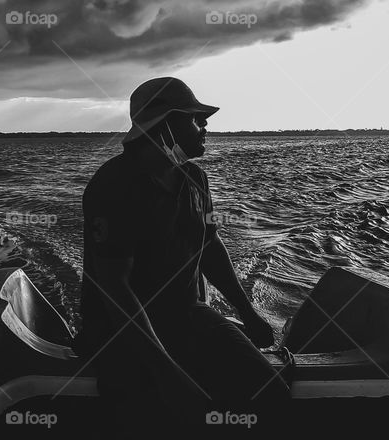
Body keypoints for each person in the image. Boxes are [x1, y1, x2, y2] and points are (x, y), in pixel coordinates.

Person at [73, 77, 289, 435]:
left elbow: (209, 247)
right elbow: (115, 287)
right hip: (118, 331)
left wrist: (247, 313)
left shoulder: (194, 178)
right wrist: (166, 372)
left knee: (271, 395)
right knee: (157, 415)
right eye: (195, 118)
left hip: (187, 315)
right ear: (166, 124)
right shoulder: (114, 185)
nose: (205, 126)